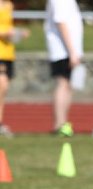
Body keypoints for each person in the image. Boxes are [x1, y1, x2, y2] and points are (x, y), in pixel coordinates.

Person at [44, 0, 83, 137]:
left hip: (69, 50)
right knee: (63, 84)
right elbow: (61, 23)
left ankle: (64, 123)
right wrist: (71, 51)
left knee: (68, 85)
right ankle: (59, 124)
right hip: (62, 50)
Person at [0, 0, 29, 137]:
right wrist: (6, 33)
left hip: (7, 53)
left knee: (3, 89)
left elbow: (8, 26)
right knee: (2, 84)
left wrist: (18, 33)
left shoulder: (9, 5)